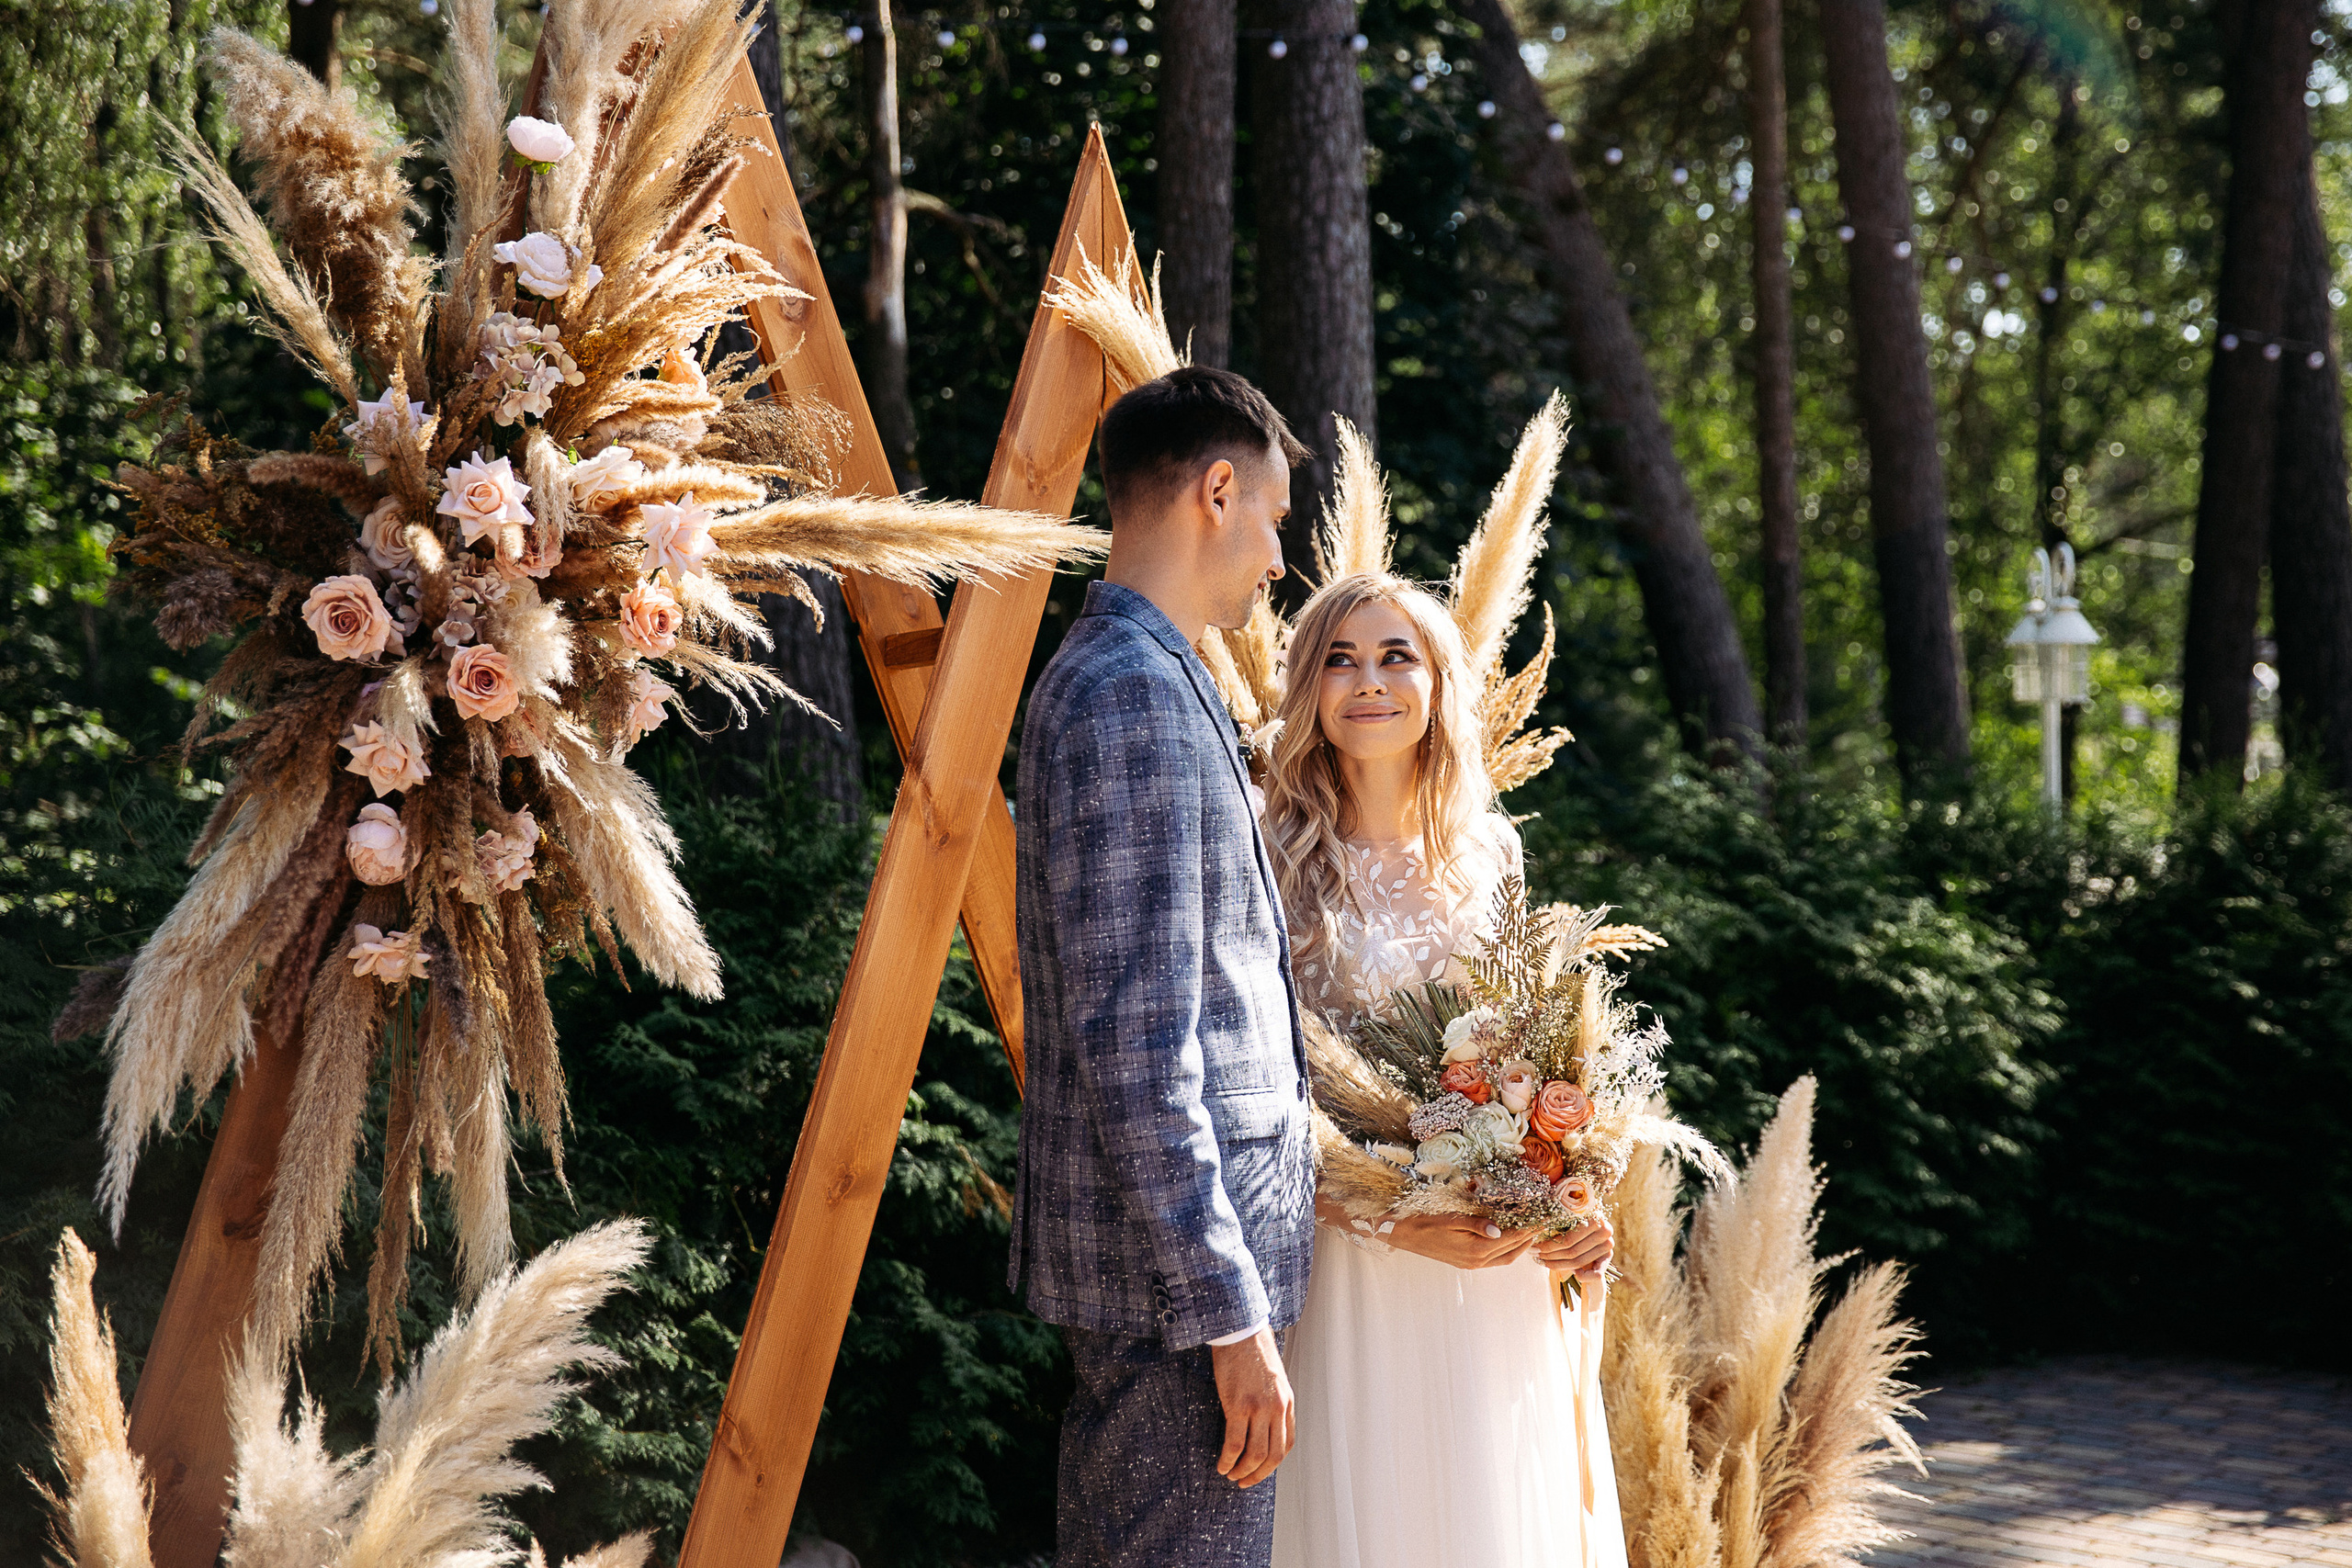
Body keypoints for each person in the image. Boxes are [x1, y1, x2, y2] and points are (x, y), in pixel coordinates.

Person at [1009, 366, 1318, 1568]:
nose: (1278, 558)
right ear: (1219, 488)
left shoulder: (1152, 673)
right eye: (1276, 520)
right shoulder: (1129, 695)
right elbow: (1142, 1047)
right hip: (1171, 1301)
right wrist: (1227, 1309)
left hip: (1171, 1291)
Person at [1261, 572, 1628, 1568]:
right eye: (1337, 659)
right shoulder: (1271, 855)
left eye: (1394, 657)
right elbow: (1259, 1098)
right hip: (1352, 1259)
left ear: (1436, 686)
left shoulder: (1490, 853)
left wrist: (1571, 1194)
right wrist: (1392, 1219)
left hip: (1492, 1264)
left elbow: (1530, 1057)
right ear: (1307, 690)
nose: (1366, 681)